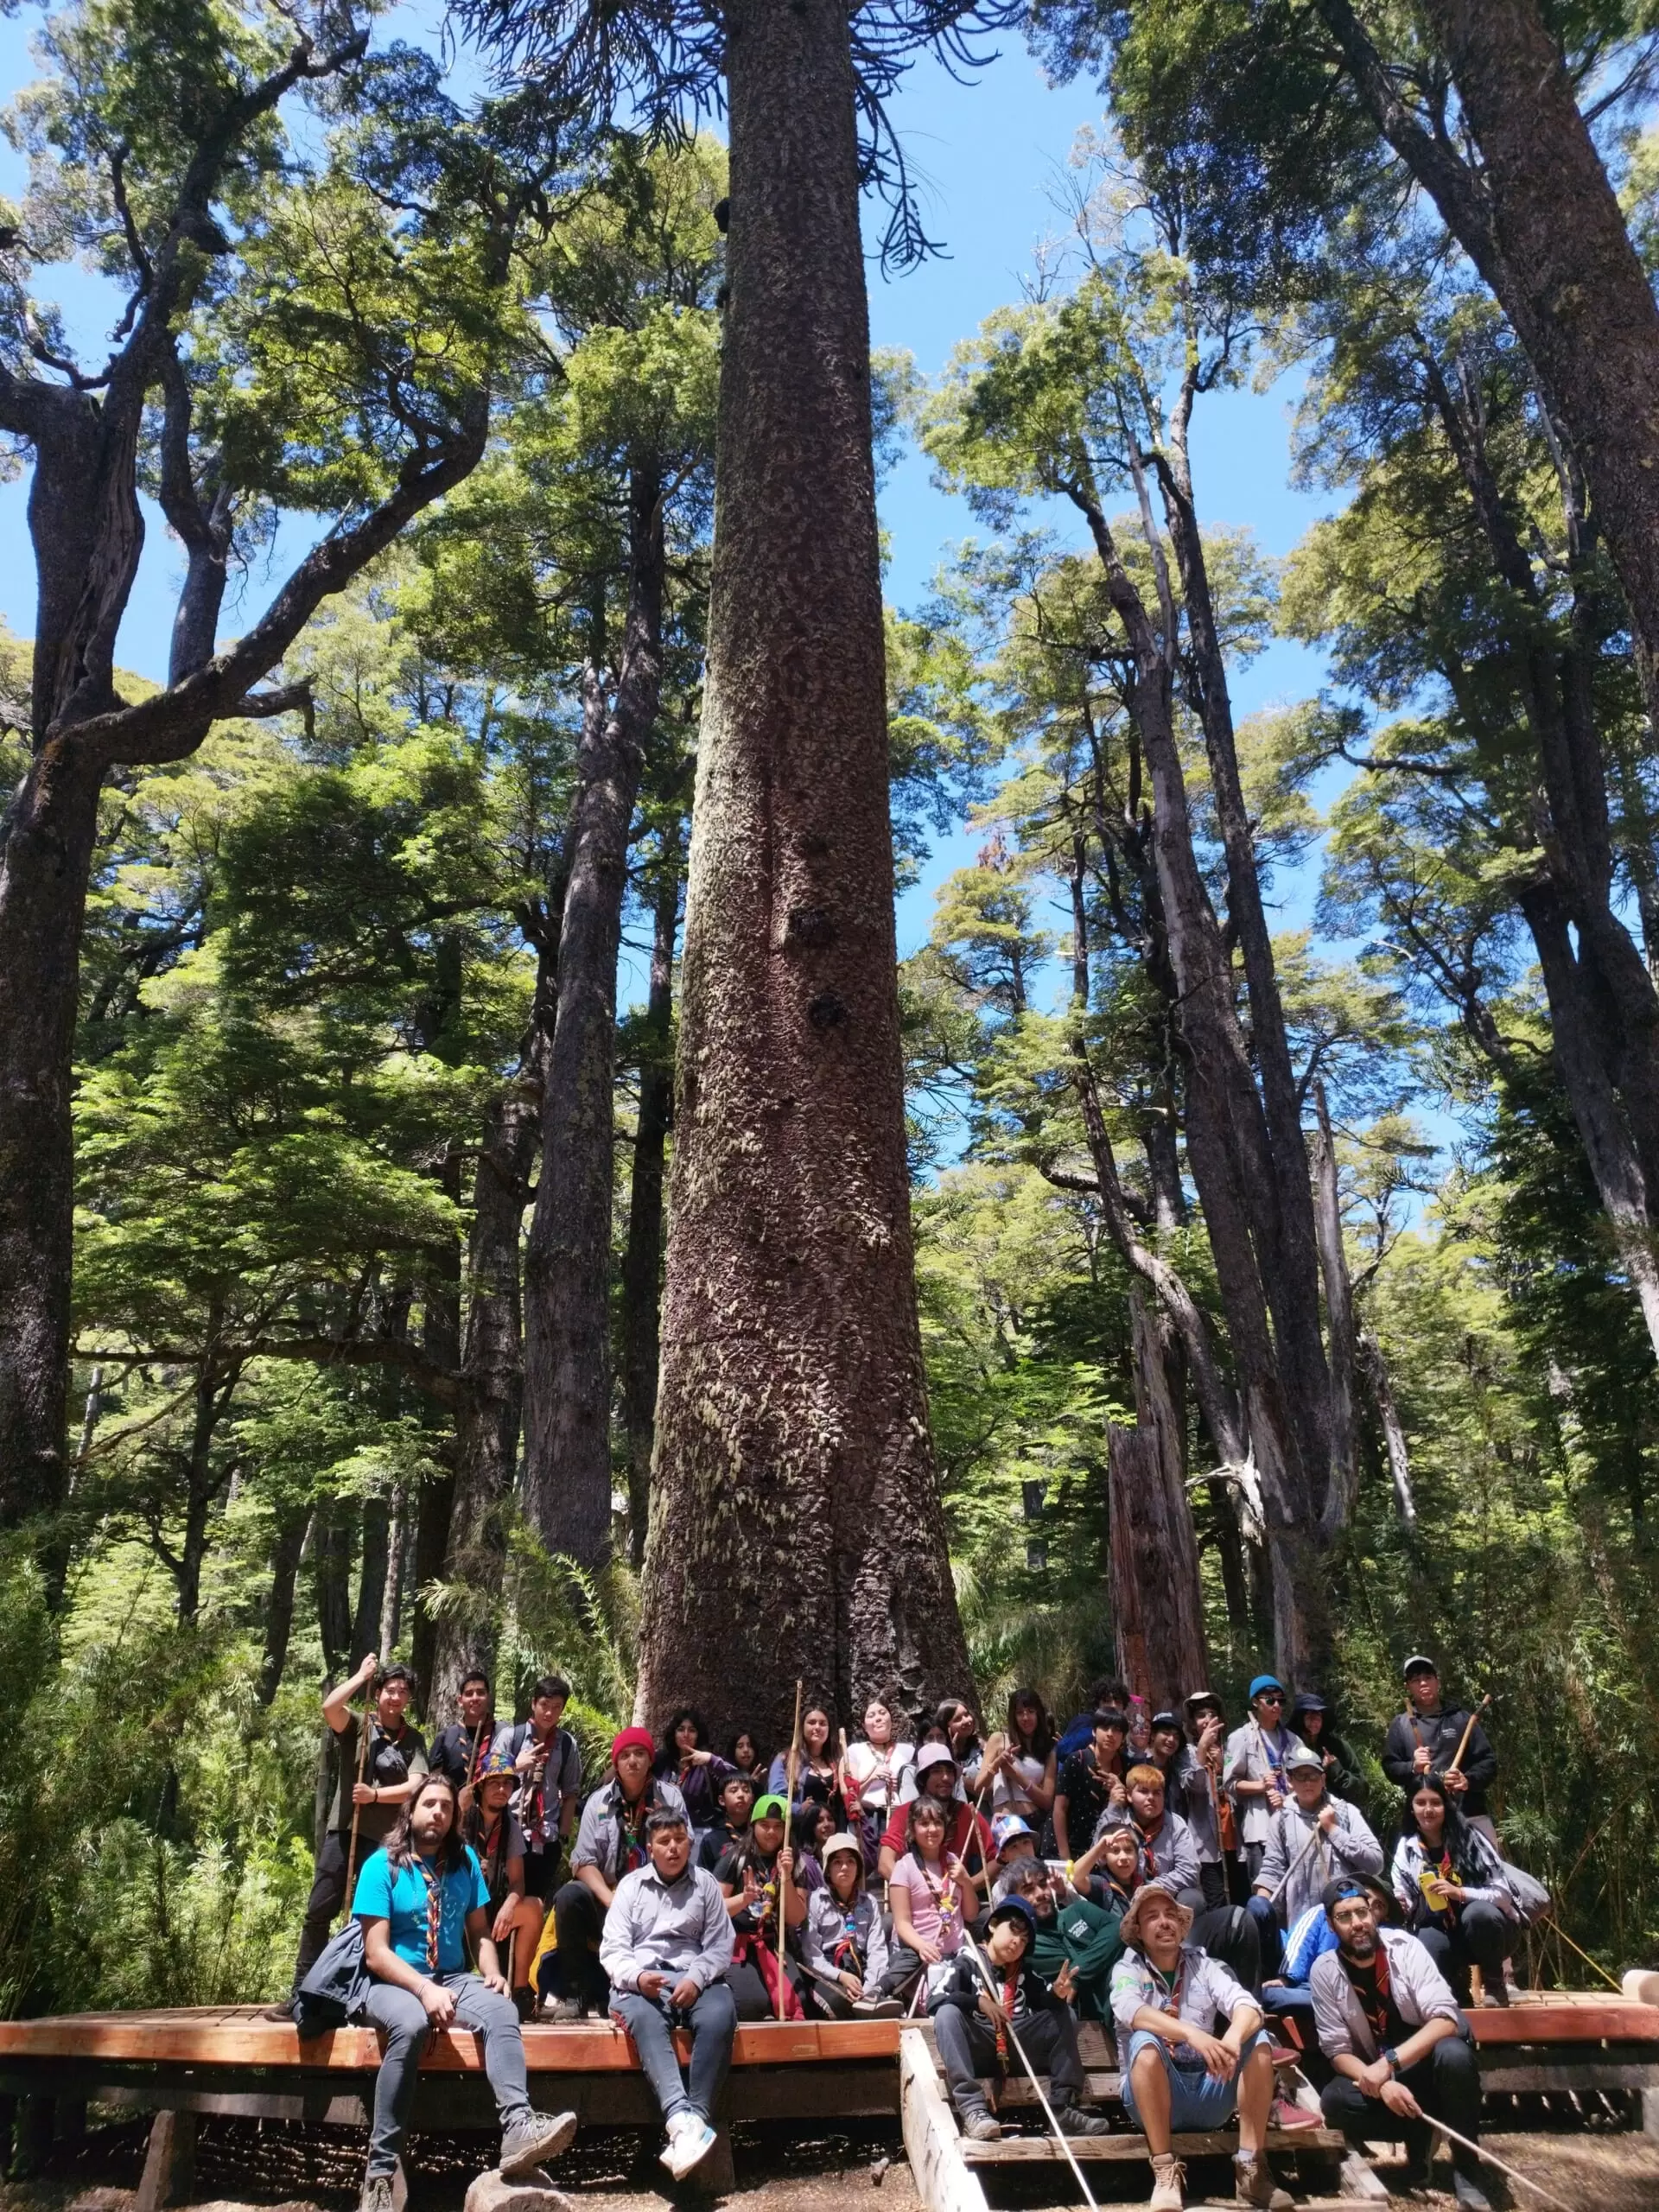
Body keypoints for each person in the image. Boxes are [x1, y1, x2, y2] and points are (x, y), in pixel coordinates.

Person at [353, 1772, 575, 2212]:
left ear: (455, 1816)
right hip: (393, 1980)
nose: (438, 1811)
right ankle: (380, 2172)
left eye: (447, 1806)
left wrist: (491, 1972)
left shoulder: (465, 1861)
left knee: (500, 2009)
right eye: (429, 1804)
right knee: (411, 2024)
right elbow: (376, 1954)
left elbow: (480, 1933)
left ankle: (518, 2129)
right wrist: (423, 1990)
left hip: (452, 1977)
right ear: (411, 1811)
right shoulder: (382, 1865)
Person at [1110, 1883, 1292, 2212]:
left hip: (1209, 2090)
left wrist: (1233, 2040)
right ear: (1138, 1930)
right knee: (1144, 2042)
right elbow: (1130, 2010)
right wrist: (1192, 2034)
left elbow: (1247, 2006)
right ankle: (1165, 2172)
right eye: (1152, 1916)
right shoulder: (1127, 1968)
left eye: (1170, 1915)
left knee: (1258, 2040)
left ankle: (1251, 2171)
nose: (1164, 1922)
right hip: (1150, 2096)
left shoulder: (1204, 1964)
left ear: (1181, 1926)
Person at [1313, 1878, 1491, 2209]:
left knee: (1454, 2055)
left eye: (1363, 1912)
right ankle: (1419, 2136)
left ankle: (1467, 2168)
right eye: (1345, 1917)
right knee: (1335, 2100)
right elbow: (1337, 2051)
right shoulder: (1324, 1971)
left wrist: (1387, 2066)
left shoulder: (1405, 1948)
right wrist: (1380, 2084)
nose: (1358, 1924)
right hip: (1384, 2078)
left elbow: (1445, 2019)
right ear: (1331, 1924)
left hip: (1423, 2069)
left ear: (1373, 1914)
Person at [599, 1804, 737, 2182]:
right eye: (664, 1841)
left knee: (719, 2014)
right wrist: (638, 1977)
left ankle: (695, 2118)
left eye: (680, 1840)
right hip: (643, 1980)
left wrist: (697, 1977)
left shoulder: (705, 1884)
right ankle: (680, 2119)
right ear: (650, 1846)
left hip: (695, 1976)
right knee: (643, 2018)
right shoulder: (631, 1887)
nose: (673, 1848)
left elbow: (721, 1944)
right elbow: (613, 1949)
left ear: (690, 1843)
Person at [286, 1653, 429, 2000]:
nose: (396, 1697)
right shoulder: (358, 1725)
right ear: (378, 1692)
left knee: (372, 1918)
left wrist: (375, 1796)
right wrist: (361, 1676)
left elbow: (415, 1786)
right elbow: (329, 1708)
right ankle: (302, 1993)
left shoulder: (414, 1740)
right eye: (389, 1689)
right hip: (346, 1831)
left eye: (403, 1691)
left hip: (387, 1842)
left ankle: (357, 1992)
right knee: (320, 1909)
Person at [929, 1893, 1111, 2141]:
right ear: (993, 1925)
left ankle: (1062, 2109)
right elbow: (935, 1998)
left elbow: (1043, 2000)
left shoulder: (1024, 1972)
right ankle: (972, 2109)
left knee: (1063, 2012)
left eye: (1024, 1940)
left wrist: (1056, 1994)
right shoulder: (966, 1961)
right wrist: (978, 2001)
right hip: (979, 2047)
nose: (1017, 1942)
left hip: (1017, 2048)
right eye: (1013, 1930)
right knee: (947, 2014)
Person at [544, 1726, 683, 2020]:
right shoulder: (599, 1802)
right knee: (570, 1895)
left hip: (658, 1899)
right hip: (609, 1897)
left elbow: (683, 1853)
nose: (633, 1761)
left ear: (649, 1760)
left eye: (640, 1754)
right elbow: (582, 1861)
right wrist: (611, 1899)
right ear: (616, 1763)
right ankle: (575, 1993)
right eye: (626, 1755)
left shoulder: (671, 1799)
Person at [1249, 1746, 1383, 1976]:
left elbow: (1375, 1862)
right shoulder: (1280, 1819)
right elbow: (1272, 1869)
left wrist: (1333, 1829)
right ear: (1290, 1781)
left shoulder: (1346, 1812)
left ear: (1323, 1779)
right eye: (1300, 1776)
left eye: (1312, 1775)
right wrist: (1262, 1907)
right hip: (1299, 1924)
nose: (1307, 1782)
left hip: (1342, 1923)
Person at [1390, 1775, 1520, 2008]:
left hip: (1491, 1934)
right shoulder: (1407, 1848)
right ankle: (1456, 1988)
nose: (1428, 1810)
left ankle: (1495, 1986)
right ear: (1411, 1808)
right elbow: (1405, 1896)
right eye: (1421, 1803)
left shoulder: (1471, 1839)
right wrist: (1401, 1906)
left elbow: (1502, 1895)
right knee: (1424, 1939)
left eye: (1435, 1802)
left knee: (1478, 1913)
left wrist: (1459, 1893)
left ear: (1446, 1806)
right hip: (1443, 1931)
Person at [465, 1745, 546, 2018]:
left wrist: (510, 1905)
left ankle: (521, 1991)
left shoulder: (509, 1825)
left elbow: (518, 1882)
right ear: (481, 1786)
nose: (501, 1789)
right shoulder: (462, 1816)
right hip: (457, 1905)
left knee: (533, 1907)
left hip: (491, 1902)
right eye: (495, 1783)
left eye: (507, 1784)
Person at [715, 1791, 810, 2018]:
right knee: (752, 2004)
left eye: (778, 1826)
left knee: (796, 2000)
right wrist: (744, 1899)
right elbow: (715, 1910)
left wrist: (786, 1877)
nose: (771, 1832)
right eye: (765, 1825)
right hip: (739, 1945)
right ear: (753, 1825)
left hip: (775, 1944)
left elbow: (796, 1918)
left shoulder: (795, 1863)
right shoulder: (735, 1857)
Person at [497, 1674, 582, 1910]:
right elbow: (490, 1781)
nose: (549, 1713)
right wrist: (515, 1766)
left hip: (547, 1837)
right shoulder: (510, 1738)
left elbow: (570, 1791)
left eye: (557, 1707)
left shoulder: (566, 1745)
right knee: (504, 1898)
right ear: (534, 1703)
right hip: (509, 1829)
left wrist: (563, 1837)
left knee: (534, 1902)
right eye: (545, 1705)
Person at [1382, 1658, 1497, 1828]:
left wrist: (1467, 1780)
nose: (1423, 1683)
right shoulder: (1401, 1724)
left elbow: (1489, 1762)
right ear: (1408, 1686)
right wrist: (1413, 1767)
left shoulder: (1461, 1718)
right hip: (1425, 1821)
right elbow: (1390, 1767)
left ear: (1438, 1682)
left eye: (1428, 1677)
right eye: (1415, 1680)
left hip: (1469, 1815)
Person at [1010, 1857, 1123, 2025]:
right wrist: (1056, 1992)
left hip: (1128, 1995)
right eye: (1028, 1890)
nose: (1041, 1894)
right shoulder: (1027, 1948)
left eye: (1043, 1884)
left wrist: (1076, 1977)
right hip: (1090, 2024)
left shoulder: (1079, 1910)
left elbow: (1118, 1929)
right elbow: (1037, 1999)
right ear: (1014, 1900)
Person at [881, 1794, 971, 2001]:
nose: (932, 1829)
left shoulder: (953, 1861)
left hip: (956, 1954)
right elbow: (902, 1924)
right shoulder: (904, 1867)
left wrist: (966, 1881)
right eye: (924, 1823)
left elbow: (971, 1913)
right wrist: (922, 1947)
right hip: (921, 1956)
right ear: (912, 1829)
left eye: (938, 1822)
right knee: (938, 2004)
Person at [801, 1831, 899, 2018]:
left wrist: (871, 1988)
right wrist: (841, 1976)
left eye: (851, 1861)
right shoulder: (815, 1901)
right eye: (837, 1862)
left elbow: (876, 1949)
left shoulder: (869, 1902)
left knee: (881, 1996)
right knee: (840, 2003)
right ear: (828, 1869)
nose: (845, 1867)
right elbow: (811, 1954)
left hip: (862, 1970)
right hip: (829, 1973)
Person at [876, 1743, 993, 1887]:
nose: (946, 1778)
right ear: (923, 1778)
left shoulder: (968, 1814)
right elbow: (885, 1863)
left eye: (950, 1772)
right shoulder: (905, 1813)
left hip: (958, 1903)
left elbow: (996, 1859)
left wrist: (967, 1887)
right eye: (937, 1771)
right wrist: (915, 1891)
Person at [1224, 1676, 1303, 1884]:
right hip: (1260, 1827)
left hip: (1293, 1823)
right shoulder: (1241, 1737)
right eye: (1270, 1700)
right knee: (1266, 1890)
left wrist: (1291, 1790)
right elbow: (1230, 1784)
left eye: (1280, 1701)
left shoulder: (1293, 1740)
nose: (1276, 1705)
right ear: (1255, 1702)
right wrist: (1261, 1786)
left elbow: (1307, 1778)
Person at [1099, 1764, 1201, 1894]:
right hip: (1123, 1896)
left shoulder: (1176, 1824)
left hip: (1166, 1895)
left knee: (1193, 1897)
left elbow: (1189, 1871)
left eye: (1157, 1792)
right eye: (1144, 1791)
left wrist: (1150, 1889)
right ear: (1129, 1796)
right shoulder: (1117, 1820)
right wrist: (1113, 1808)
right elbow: (1098, 1860)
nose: (1151, 1798)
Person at [1177, 1690, 1236, 1909]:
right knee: (1217, 1902)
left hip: (1234, 1841)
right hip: (1207, 1844)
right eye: (1201, 1715)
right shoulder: (1187, 1753)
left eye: (1212, 1714)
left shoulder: (1230, 1749)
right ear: (1193, 1723)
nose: (1207, 1720)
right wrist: (1202, 1749)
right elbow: (1194, 1786)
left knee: (1240, 1901)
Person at [843, 1696, 916, 1859]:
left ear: (891, 1718)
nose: (878, 1718)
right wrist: (871, 1778)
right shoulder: (855, 1751)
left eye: (883, 1713)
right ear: (863, 1725)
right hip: (867, 1817)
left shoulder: (909, 1750)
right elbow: (850, 1796)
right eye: (871, 1715)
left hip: (901, 1817)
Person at [1052, 1707, 1128, 1860]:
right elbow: (1060, 1809)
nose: (1110, 1734)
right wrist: (1065, 1856)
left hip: (1109, 1851)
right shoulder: (1076, 1760)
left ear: (1123, 1737)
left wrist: (1121, 1788)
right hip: (1072, 1847)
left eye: (1116, 1730)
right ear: (1094, 1731)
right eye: (1104, 1728)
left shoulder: (1126, 1766)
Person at [978, 1687, 1058, 1826]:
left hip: (1035, 1822)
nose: (1025, 1718)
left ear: (1039, 1714)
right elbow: (979, 1787)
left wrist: (1015, 1775)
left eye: (1031, 1712)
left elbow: (1047, 1801)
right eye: (1020, 1713)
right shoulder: (999, 1739)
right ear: (1013, 1717)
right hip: (1005, 1825)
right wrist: (997, 1763)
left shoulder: (1048, 1749)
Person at [766, 1699, 846, 1827]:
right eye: (812, 1722)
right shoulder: (786, 1760)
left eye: (823, 1723)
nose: (817, 1727)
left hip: (834, 1835)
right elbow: (775, 1801)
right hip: (801, 1835)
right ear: (802, 1727)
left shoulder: (838, 1761)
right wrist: (799, 1809)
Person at [655, 1707, 737, 1831]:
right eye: (681, 1729)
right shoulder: (662, 1761)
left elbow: (737, 1777)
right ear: (674, 1733)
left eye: (692, 1730)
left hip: (700, 1832)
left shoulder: (706, 1764)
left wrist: (711, 1759)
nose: (686, 1734)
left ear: (698, 1735)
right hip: (665, 1829)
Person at [431, 1669, 499, 1805]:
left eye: (481, 1693)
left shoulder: (502, 1734)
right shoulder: (445, 1738)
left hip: (494, 1815)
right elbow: (433, 1781)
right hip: (454, 1811)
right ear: (460, 1700)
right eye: (469, 1694)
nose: (475, 1698)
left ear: (488, 1697)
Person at [1287, 1692, 1363, 1808]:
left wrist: (1337, 1772)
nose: (1314, 1721)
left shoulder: (1339, 1747)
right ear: (1300, 1719)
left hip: (1337, 1812)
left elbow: (1362, 1791)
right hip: (1298, 1813)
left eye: (1318, 1716)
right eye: (1309, 1716)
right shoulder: (1288, 1748)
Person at [697, 1768, 755, 1872]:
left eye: (746, 1790)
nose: (741, 1795)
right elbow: (704, 1879)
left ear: (752, 1799)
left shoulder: (760, 1834)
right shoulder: (711, 1840)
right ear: (722, 1800)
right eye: (734, 1791)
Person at [988, 1813, 1039, 1901]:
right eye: (1014, 1847)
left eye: (1026, 1842)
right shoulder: (1000, 1889)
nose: (1023, 1851)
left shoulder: (1050, 1873)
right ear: (1003, 1856)